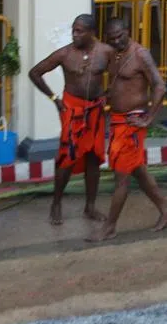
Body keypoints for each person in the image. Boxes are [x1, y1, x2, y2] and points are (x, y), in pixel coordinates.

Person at [86, 19, 167, 242]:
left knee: (121, 179)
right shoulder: (114, 54)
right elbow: (122, 84)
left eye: (120, 36)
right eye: (112, 38)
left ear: (127, 31)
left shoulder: (140, 54)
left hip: (132, 123)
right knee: (137, 169)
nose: (116, 41)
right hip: (118, 121)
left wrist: (149, 118)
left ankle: (110, 227)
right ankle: (166, 212)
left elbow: (160, 86)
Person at [29, 14, 114, 226]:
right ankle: (56, 203)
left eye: (79, 31)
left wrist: (107, 96)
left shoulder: (106, 52)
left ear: (91, 32)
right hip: (72, 109)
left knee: (94, 158)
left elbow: (118, 75)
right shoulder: (65, 53)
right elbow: (35, 73)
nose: (74, 35)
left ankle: (90, 207)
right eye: (73, 30)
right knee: (67, 158)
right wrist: (54, 98)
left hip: (95, 111)